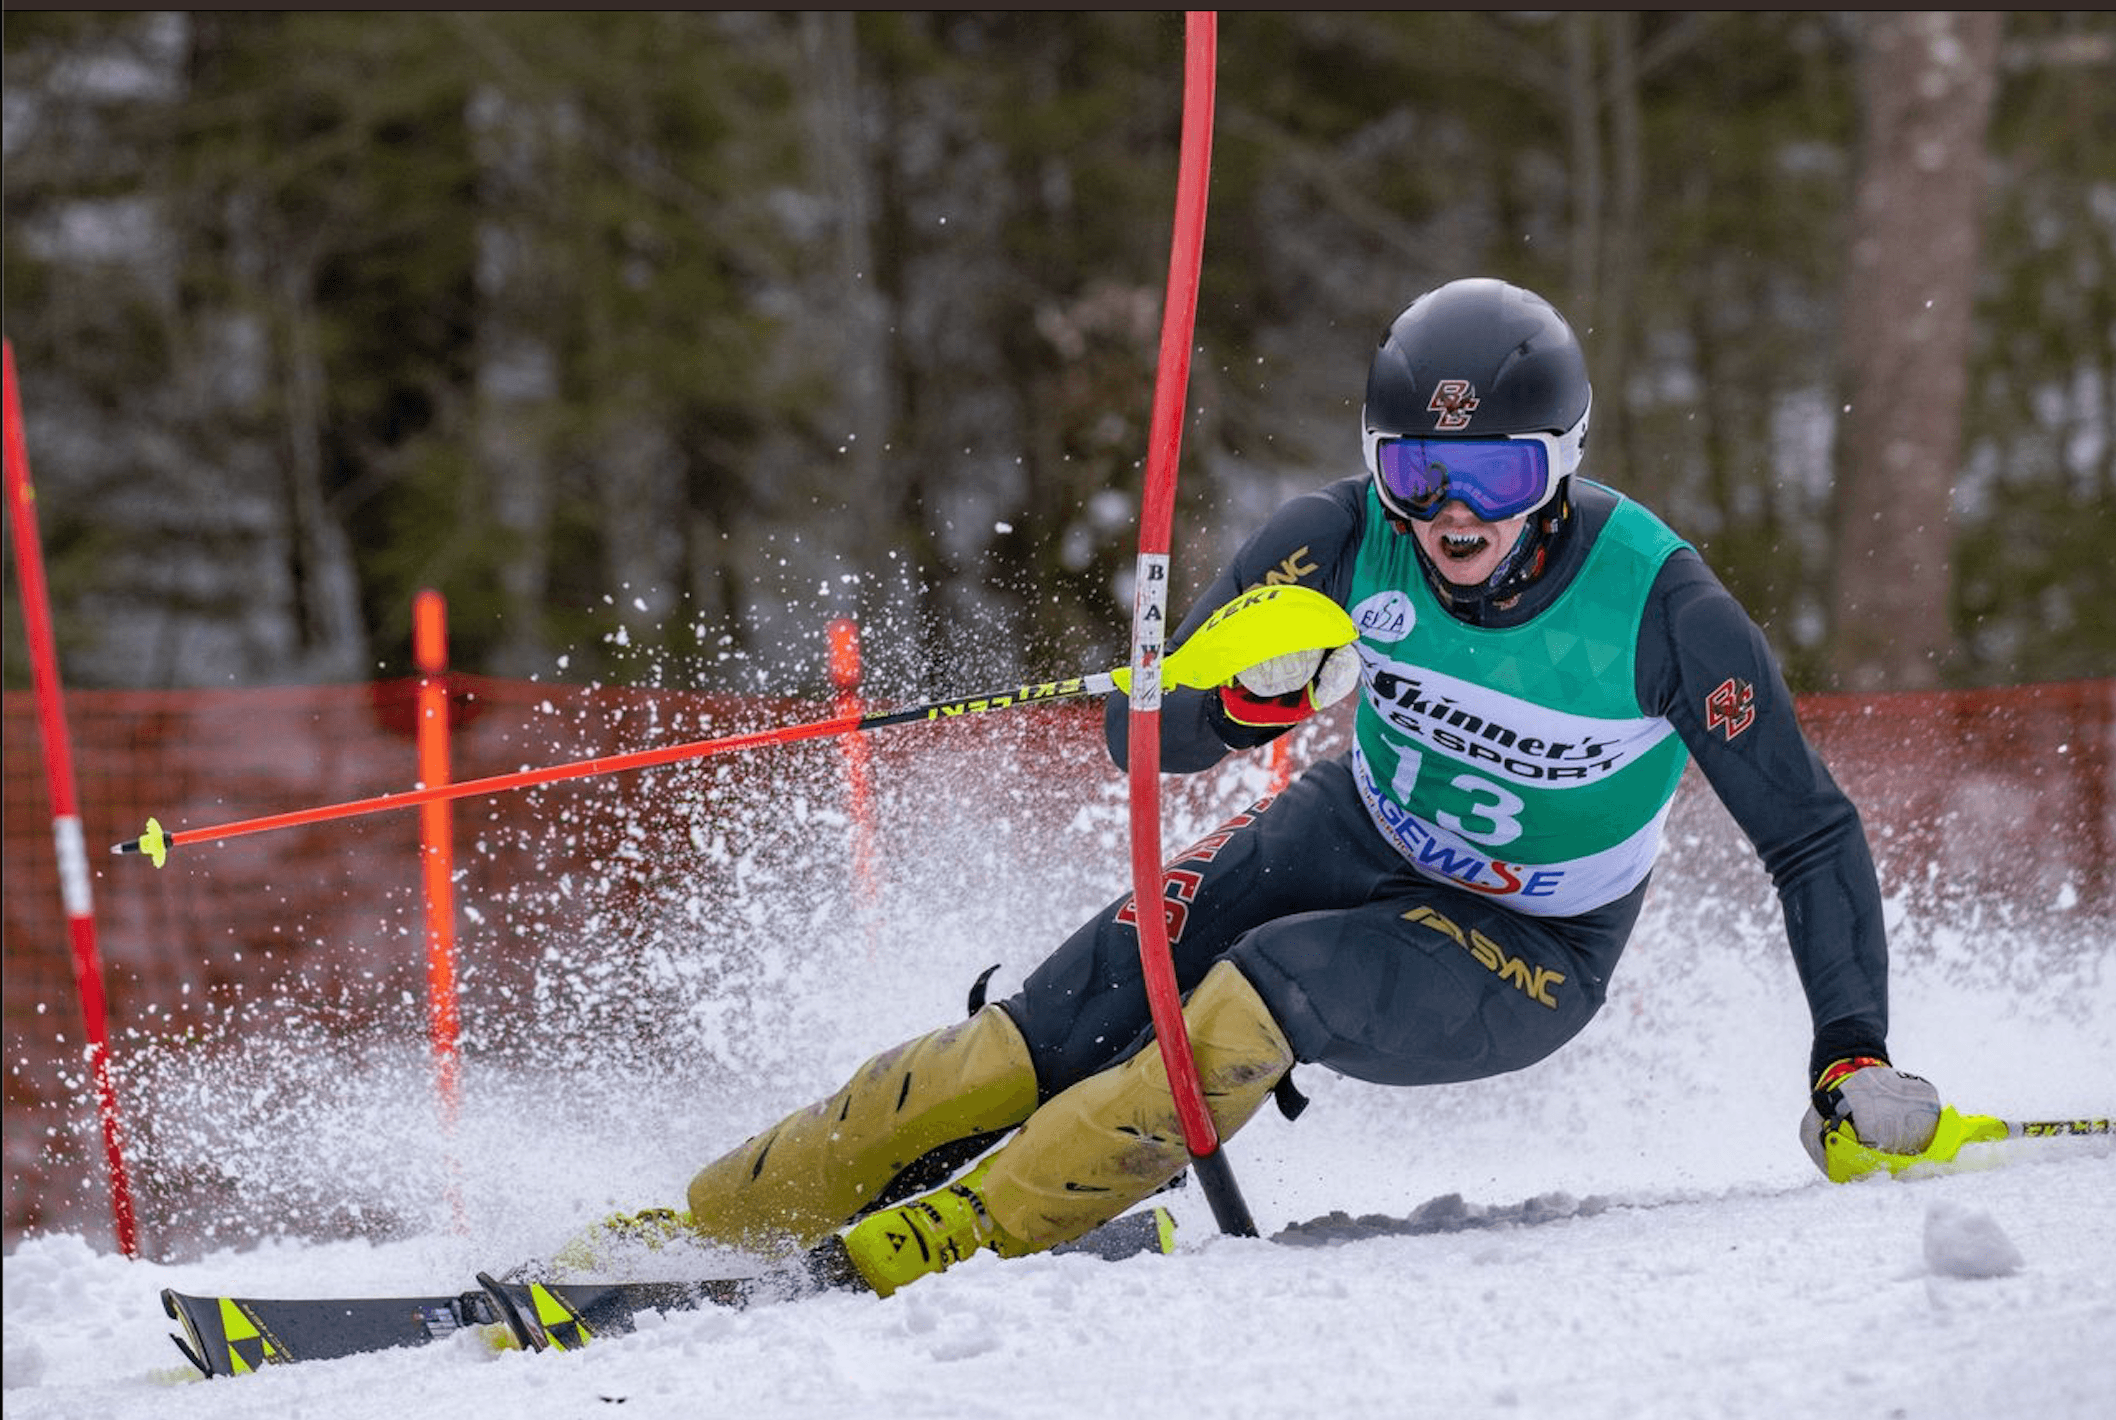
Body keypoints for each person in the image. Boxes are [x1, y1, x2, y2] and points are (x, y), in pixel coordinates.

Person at [623, 276, 1941, 1297]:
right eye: (1417, 474)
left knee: (1259, 996)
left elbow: (1811, 837)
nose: (1455, 515)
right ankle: (711, 1220)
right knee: (1034, 1033)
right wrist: (1242, 703)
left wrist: (1849, 1054)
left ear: (1563, 470)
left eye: (1499, 474)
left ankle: (967, 1232)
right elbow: (1143, 740)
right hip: (1346, 832)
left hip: (1526, 943)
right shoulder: (1329, 543)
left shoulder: (1665, 612)